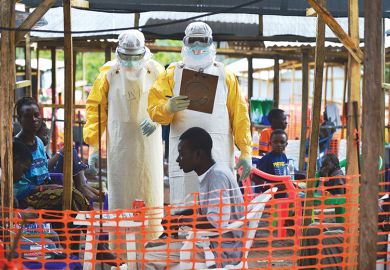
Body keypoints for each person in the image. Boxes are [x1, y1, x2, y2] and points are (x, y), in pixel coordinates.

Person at [148, 21, 252, 205]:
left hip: (218, 152)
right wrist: (167, 107)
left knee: (217, 205)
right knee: (186, 206)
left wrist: (246, 151)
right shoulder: (171, 73)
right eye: (193, 41)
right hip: (184, 155)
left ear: (211, 43)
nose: (197, 47)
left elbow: (240, 116)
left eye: (202, 41)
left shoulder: (225, 75)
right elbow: (155, 109)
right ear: (185, 42)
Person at [83, 30, 164, 239]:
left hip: (149, 146)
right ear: (119, 54)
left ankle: (151, 245)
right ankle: (119, 252)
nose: (130, 62)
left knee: (150, 197)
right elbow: (95, 110)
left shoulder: (156, 72)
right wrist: (93, 146)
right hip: (120, 146)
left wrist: (158, 118)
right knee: (121, 199)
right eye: (126, 57)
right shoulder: (108, 74)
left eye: (135, 57)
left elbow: (167, 100)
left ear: (143, 54)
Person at [144, 127, 245, 269]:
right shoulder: (214, 172)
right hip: (212, 244)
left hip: (219, 251)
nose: (178, 159)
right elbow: (208, 210)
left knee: (143, 258)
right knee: (150, 246)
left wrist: (180, 220)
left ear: (197, 154)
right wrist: (178, 216)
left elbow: (216, 222)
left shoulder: (217, 176)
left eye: (181, 153)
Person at [36, 122, 99, 202]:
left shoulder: (41, 149)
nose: (47, 137)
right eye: (44, 135)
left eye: (48, 135)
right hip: (47, 180)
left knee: (71, 150)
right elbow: (44, 168)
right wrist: (60, 152)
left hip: (51, 175)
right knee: (69, 151)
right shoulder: (35, 149)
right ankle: (82, 186)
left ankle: (83, 185)